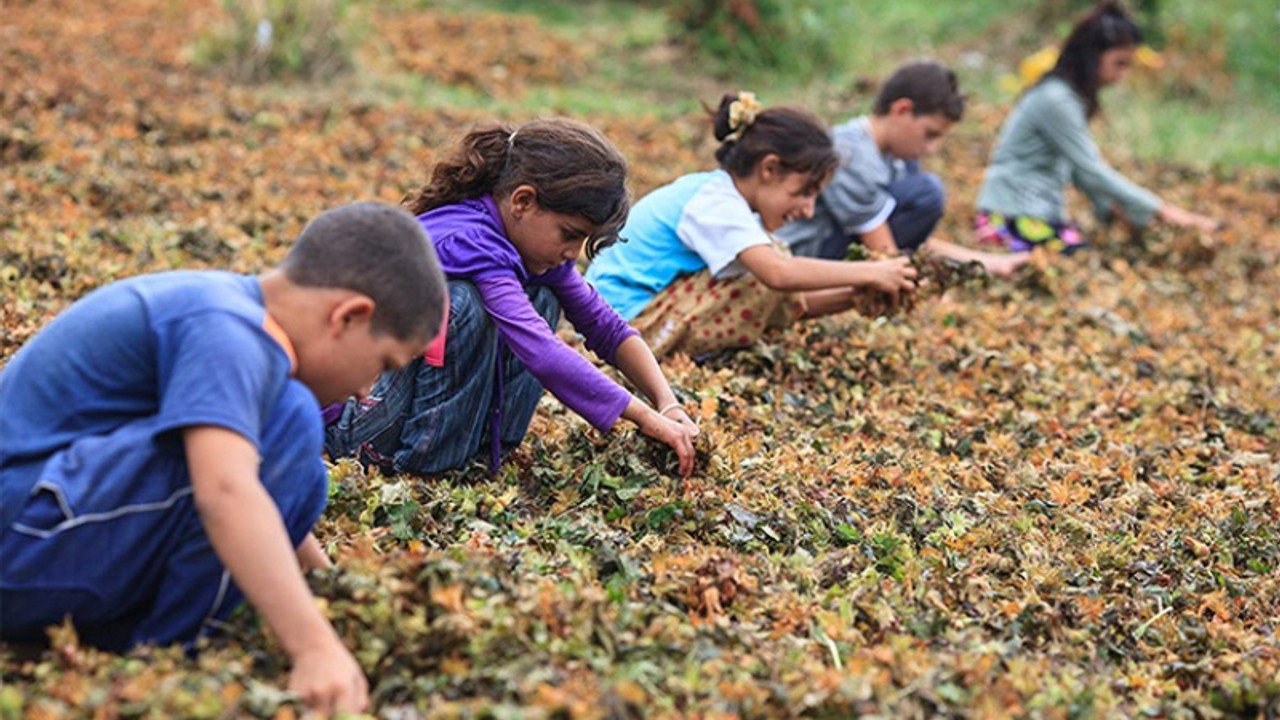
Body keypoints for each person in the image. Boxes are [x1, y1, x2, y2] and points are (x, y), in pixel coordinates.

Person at [0, 202, 447, 714]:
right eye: (382, 364)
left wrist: (332, 591)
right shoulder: (227, 329)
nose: (368, 389)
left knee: (293, 454)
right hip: (19, 541)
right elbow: (227, 490)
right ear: (349, 316)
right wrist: (313, 646)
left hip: (44, 536)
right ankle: (166, 658)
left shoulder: (227, 310)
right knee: (292, 419)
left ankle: (144, 640)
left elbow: (269, 495)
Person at [324, 118, 700, 478]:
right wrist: (646, 418)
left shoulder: (528, 247)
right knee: (463, 306)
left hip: (398, 413)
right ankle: (427, 467)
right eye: (569, 234)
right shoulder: (469, 240)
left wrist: (666, 402)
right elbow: (542, 352)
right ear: (522, 201)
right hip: (355, 426)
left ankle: (483, 450)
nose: (573, 253)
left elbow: (606, 327)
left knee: (543, 295)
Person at [584, 92, 918, 360]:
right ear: (770, 168)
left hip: (628, 316)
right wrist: (871, 272)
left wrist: (855, 295)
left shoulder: (723, 198)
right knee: (766, 269)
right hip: (620, 324)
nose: (807, 210)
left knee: (768, 263)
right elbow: (779, 277)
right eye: (804, 193)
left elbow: (786, 296)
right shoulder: (715, 201)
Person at [975, 0, 1217, 254]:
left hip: (1036, 211)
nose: (1123, 75)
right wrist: (1165, 211)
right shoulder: (1056, 100)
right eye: (1119, 63)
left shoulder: (1068, 98)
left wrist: (1115, 210)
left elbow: (1080, 172)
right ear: (1092, 55)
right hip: (1013, 213)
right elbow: (1091, 170)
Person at [777, 61, 1028, 277]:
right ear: (902, 110)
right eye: (929, 134)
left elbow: (905, 239)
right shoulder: (851, 155)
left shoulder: (893, 159)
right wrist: (914, 287)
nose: (931, 148)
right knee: (927, 193)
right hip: (802, 255)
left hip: (838, 247)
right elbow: (883, 251)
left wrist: (986, 263)